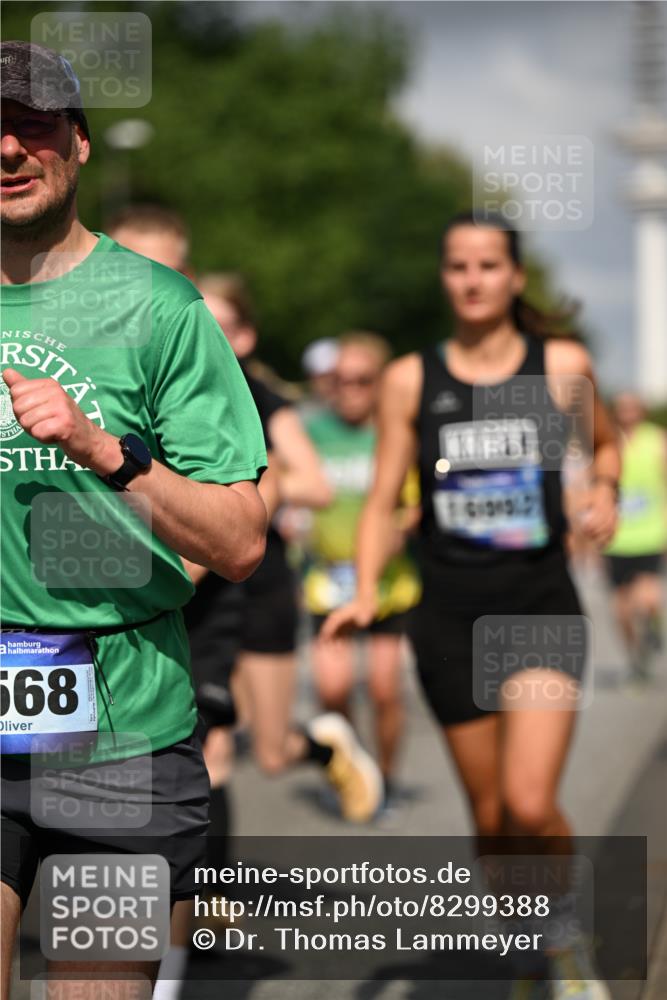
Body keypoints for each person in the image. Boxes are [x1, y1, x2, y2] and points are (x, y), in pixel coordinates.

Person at [0, 42, 267, 1000]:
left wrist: (105, 451)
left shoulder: (160, 311)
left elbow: (239, 540)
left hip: (119, 741)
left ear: (74, 143)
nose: (6, 148)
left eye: (30, 124)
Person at [323, 212, 620, 997]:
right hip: (447, 618)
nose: (473, 279)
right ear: (444, 277)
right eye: (457, 266)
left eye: (488, 265)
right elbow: (385, 499)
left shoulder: (559, 365)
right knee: (491, 819)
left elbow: (606, 444)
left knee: (529, 802)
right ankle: (526, 942)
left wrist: (607, 493)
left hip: (538, 607)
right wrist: (359, 593)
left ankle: (562, 938)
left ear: (514, 277)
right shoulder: (411, 380)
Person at [195, 274, 384, 824]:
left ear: (247, 337)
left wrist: (247, 481)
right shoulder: (162, 386)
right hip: (197, 590)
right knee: (209, 745)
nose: (204, 332)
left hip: (258, 585)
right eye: (194, 317)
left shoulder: (261, 399)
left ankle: (324, 748)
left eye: (221, 324)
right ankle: (208, 900)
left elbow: (317, 485)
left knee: (272, 753)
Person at [304, 332, 421, 809]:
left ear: (381, 383)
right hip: (328, 579)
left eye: (362, 381)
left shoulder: (394, 434)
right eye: (339, 380)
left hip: (389, 583)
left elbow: (415, 502)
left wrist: (400, 526)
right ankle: (357, 767)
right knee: (332, 689)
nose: (349, 389)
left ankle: (386, 778)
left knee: (383, 688)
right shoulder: (312, 430)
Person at [604, 392, 667, 681]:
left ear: (641, 410)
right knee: (622, 610)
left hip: (651, 533)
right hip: (615, 537)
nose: (627, 413)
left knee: (649, 597)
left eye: (632, 407)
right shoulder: (607, 442)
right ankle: (635, 659)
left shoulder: (657, 441)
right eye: (622, 408)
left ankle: (654, 628)